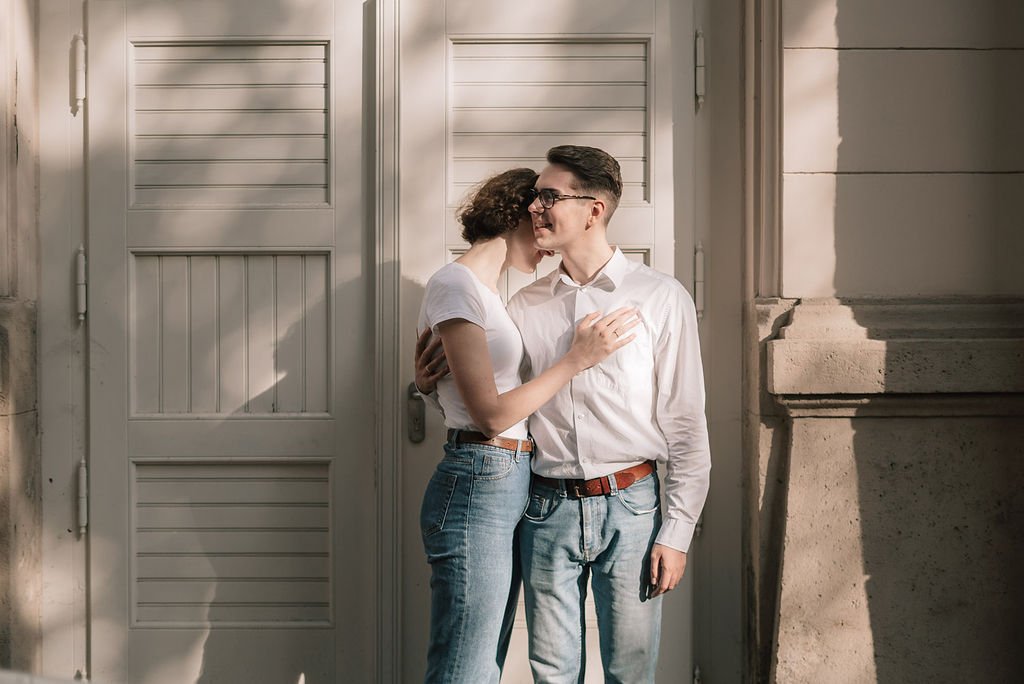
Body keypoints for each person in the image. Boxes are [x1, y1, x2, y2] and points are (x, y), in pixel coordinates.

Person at [415, 167, 639, 684]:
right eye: (539, 222)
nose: (546, 245)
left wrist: (426, 387)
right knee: (465, 662)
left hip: (505, 478)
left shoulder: (486, 294)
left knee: (482, 654)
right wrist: (576, 360)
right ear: (518, 213)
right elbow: (490, 415)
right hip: (479, 479)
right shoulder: (457, 286)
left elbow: (472, 394)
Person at [506, 145, 711, 683]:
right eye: (535, 197)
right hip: (545, 508)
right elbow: (500, 409)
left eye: (548, 196)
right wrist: (435, 386)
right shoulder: (525, 306)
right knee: (552, 672)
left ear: (593, 209)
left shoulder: (661, 298)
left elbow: (686, 425)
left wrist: (677, 532)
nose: (534, 208)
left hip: (633, 508)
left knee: (632, 671)